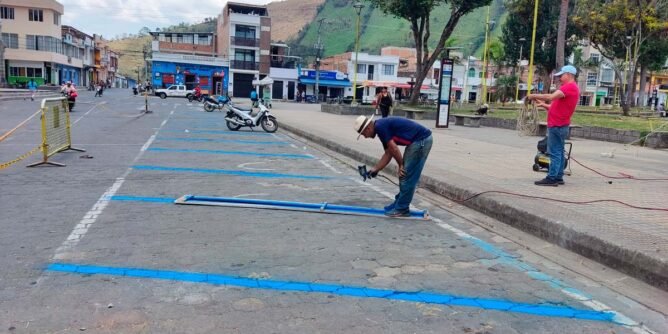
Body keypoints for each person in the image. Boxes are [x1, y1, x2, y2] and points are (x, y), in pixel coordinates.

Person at [355, 115, 433, 217]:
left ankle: (402, 208)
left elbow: (394, 149)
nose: (365, 137)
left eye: (364, 134)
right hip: (418, 141)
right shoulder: (380, 128)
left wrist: (401, 165)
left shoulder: (380, 127)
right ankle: (399, 204)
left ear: (368, 128)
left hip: (421, 141)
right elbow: (388, 153)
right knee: (404, 175)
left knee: (406, 175)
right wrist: (375, 169)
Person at [527, 65, 580, 186]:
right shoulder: (571, 88)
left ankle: (552, 178)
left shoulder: (569, 87)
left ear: (568, 75)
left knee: (555, 152)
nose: (560, 78)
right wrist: (543, 105)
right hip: (560, 124)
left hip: (557, 125)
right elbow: (555, 107)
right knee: (559, 152)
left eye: (561, 75)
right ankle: (558, 176)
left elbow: (550, 97)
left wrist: (533, 96)